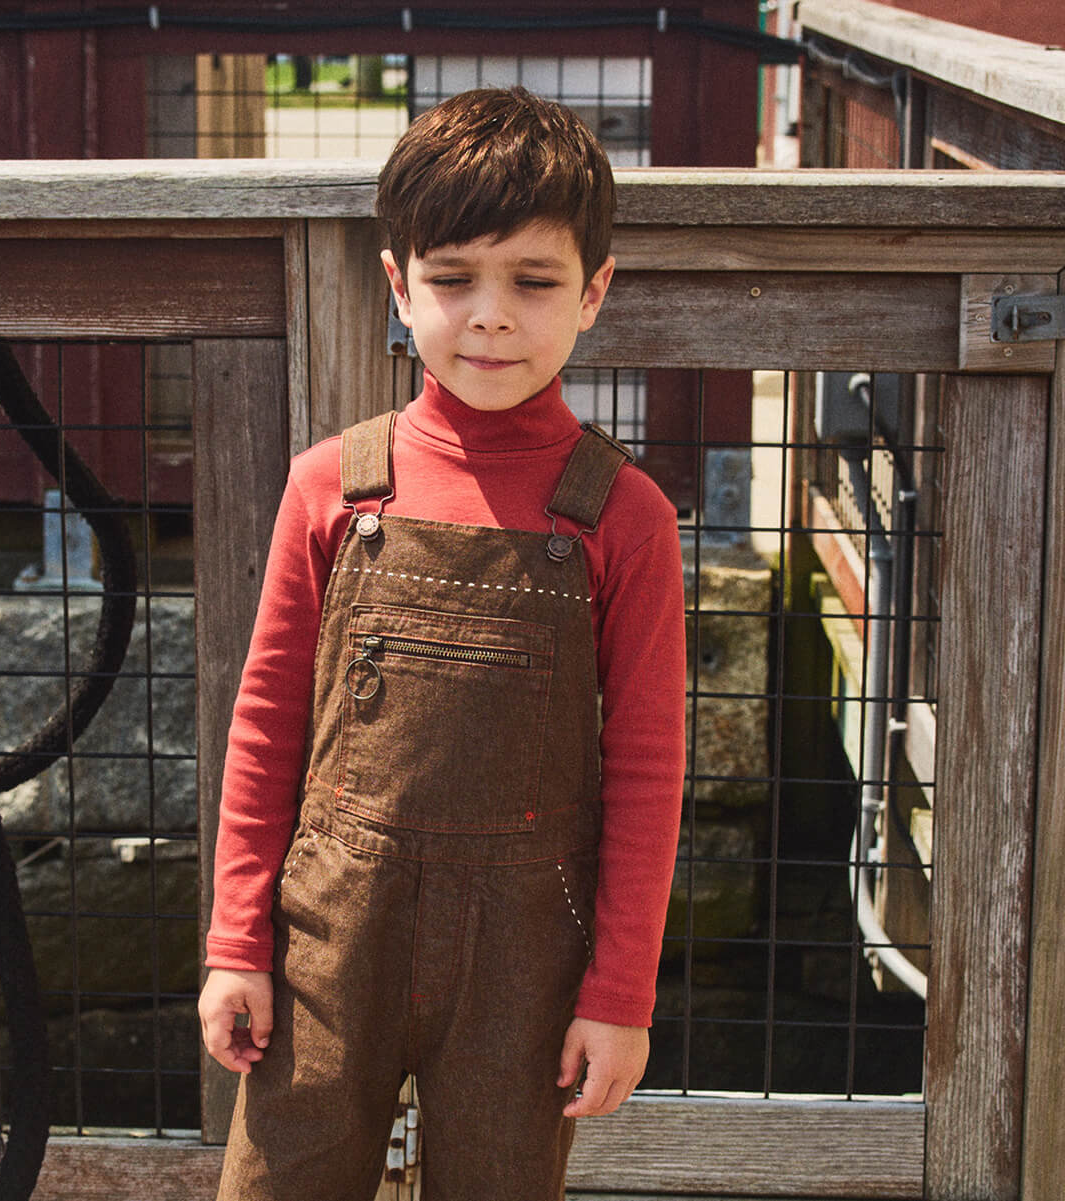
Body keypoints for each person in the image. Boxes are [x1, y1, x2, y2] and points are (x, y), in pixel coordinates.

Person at [197, 85, 686, 1201]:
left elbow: (649, 770)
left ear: (595, 291)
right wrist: (235, 942)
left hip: (525, 962)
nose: (490, 317)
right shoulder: (330, 487)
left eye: (534, 281)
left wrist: (620, 996)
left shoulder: (625, 517)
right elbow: (265, 727)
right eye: (453, 278)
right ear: (398, 285)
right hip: (330, 943)